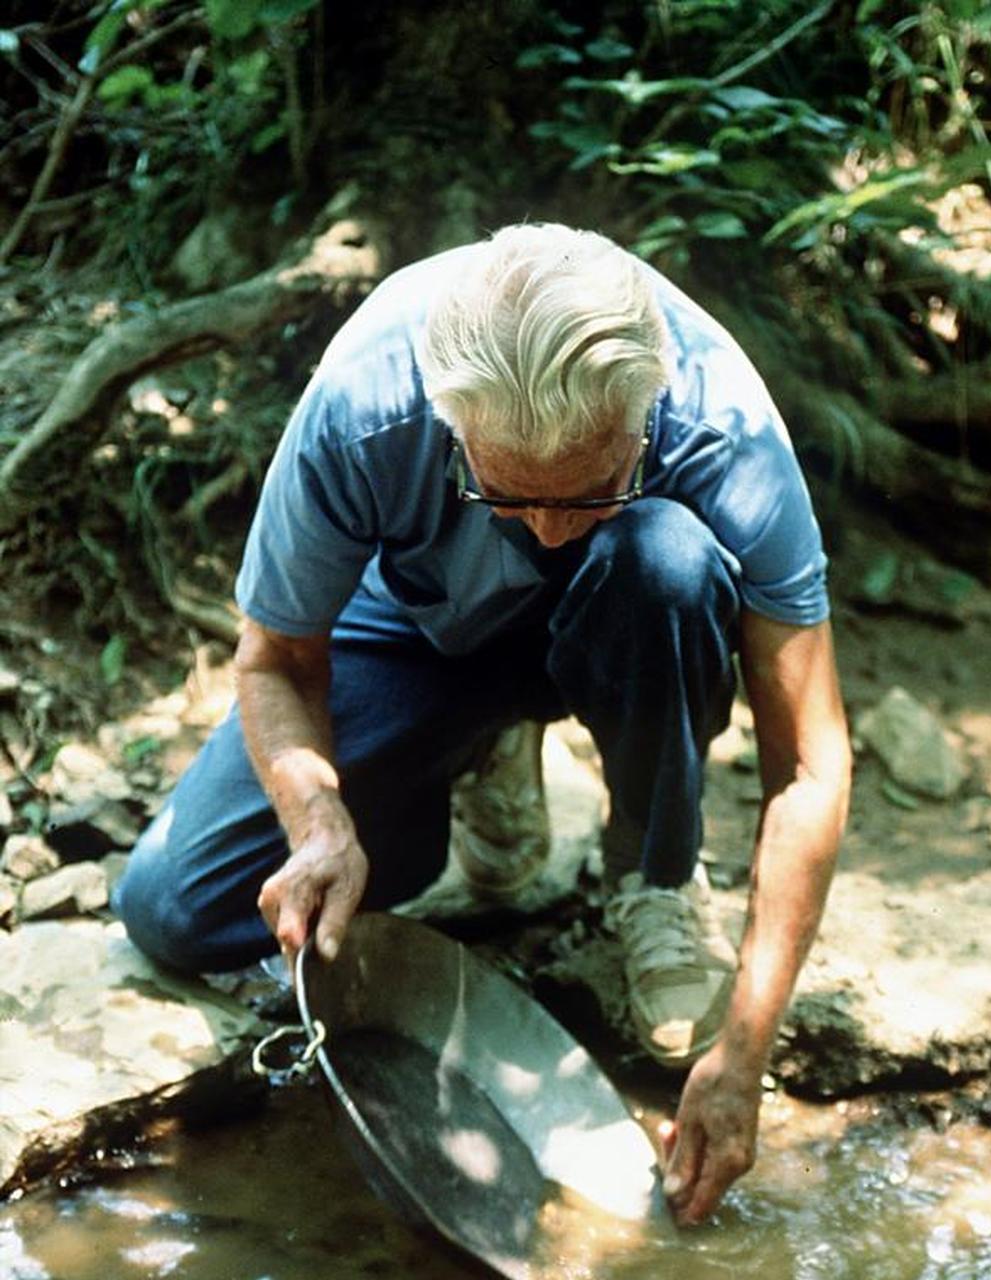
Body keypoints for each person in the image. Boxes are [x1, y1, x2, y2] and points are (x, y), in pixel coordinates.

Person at [115, 221, 852, 1226]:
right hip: (425, 629)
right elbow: (275, 658)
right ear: (450, 423)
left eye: (588, 489)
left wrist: (748, 1043)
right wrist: (320, 821)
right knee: (174, 906)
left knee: (665, 562)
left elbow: (810, 764)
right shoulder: (365, 401)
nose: (548, 527)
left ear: (644, 420)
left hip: (632, 616)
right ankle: (482, 754)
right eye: (510, 492)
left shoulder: (723, 425)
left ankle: (655, 871)